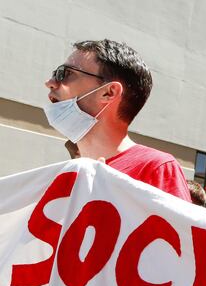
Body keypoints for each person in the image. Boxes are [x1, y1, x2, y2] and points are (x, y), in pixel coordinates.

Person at [44, 40, 190, 202]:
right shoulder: (64, 178)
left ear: (109, 92)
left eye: (65, 73)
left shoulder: (156, 168)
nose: (50, 83)